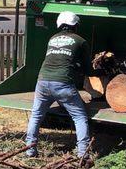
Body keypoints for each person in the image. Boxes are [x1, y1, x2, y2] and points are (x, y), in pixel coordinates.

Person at [25, 11, 97, 157]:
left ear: (60, 24)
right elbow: (88, 69)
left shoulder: (52, 39)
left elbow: (57, 59)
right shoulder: (80, 40)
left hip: (42, 82)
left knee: (36, 115)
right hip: (62, 84)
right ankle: (83, 153)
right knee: (79, 117)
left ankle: (30, 150)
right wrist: (98, 72)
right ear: (75, 25)